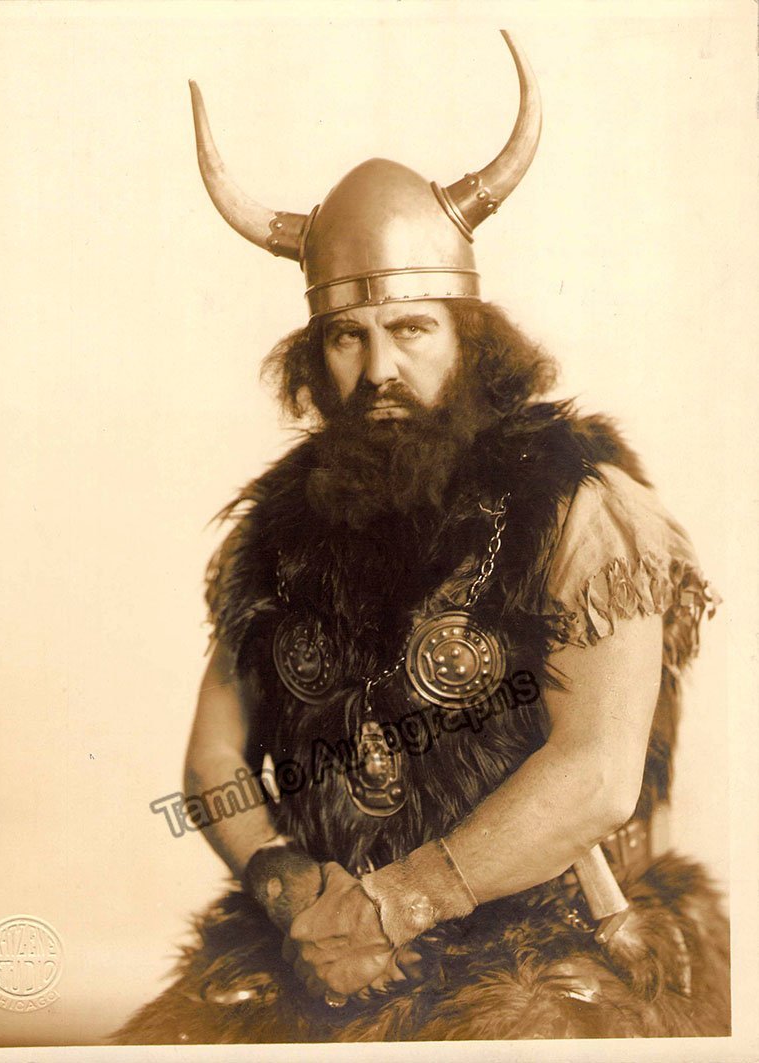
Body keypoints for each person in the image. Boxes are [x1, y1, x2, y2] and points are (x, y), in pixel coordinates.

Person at [116, 33, 729, 1044]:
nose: (377, 371)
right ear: (314, 356)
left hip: (552, 938)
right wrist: (290, 889)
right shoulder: (274, 534)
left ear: (468, 340)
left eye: (411, 330)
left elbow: (595, 774)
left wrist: (399, 903)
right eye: (347, 337)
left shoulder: (585, 504)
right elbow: (214, 759)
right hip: (320, 938)